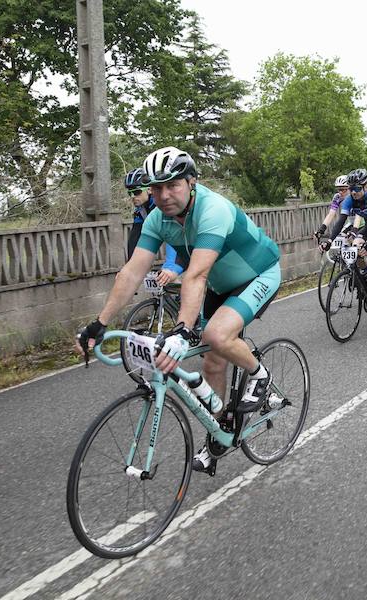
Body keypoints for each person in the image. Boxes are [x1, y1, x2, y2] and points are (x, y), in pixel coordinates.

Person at [77, 146, 282, 475]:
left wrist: (184, 330)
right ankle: (219, 431)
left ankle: (260, 375)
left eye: (173, 185)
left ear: (191, 182)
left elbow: (196, 275)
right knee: (212, 361)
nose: (164, 194)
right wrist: (98, 324)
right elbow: (130, 273)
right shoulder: (157, 219)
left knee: (216, 334)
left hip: (257, 274)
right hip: (218, 284)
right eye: (156, 188)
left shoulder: (212, 209)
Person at [320, 168, 367, 316]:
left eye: (357, 188)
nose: (353, 192)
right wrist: (329, 241)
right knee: (355, 247)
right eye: (351, 189)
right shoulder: (349, 199)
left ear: (366, 186)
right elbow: (340, 222)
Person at [124, 168, 183, 285]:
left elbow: (173, 237)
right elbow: (134, 238)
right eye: (129, 193)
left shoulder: (162, 204)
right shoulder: (140, 210)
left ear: (150, 190)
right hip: (172, 240)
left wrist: (170, 267)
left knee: (173, 275)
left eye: (136, 192)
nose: (132, 196)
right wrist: (129, 269)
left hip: (185, 240)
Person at [314, 175, 354, 244]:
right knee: (339, 238)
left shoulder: (355, 196)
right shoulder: (337, 197)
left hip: (362, 223)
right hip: (351, 222)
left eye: (343, 190)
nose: (340, 192)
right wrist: (321, 229)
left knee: (356, 243)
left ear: (350, 188)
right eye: (339, 189)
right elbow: (331, 214)